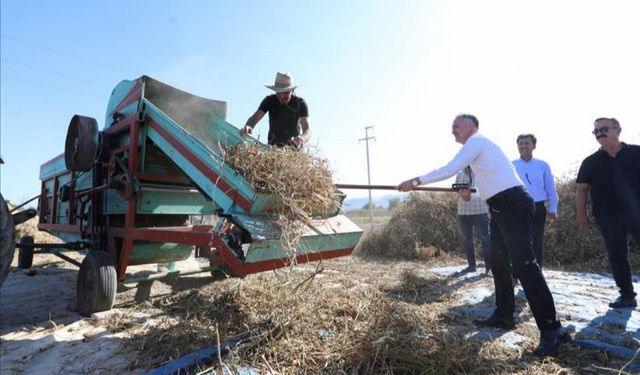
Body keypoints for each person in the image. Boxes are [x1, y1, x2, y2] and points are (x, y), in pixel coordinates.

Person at [397, 114, 569, 357]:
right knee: (498, 263)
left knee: (525, 266)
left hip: (514, 204)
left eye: (455, 126)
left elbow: (449, 169)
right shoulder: (480, 154)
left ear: (470, 126)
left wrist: (415, 181)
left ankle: (553, 330)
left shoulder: (477, 142)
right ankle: (504, 315)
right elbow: (490, 188)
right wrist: (469, 195)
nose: (452, 131)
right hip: (499, 206)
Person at [576, 117, 640, 309]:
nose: (599, 133)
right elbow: (582, 190)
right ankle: (627, 295)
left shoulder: (636, 153)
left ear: (618, 130)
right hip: (607, 214)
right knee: (617, 254)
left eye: (604, 129)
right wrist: (582, 214)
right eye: (596, 131)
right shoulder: (591, 161)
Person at [512, 134, 559, 268]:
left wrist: (552, 208)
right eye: (520, 143)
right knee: (517, 241)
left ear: (534, 146)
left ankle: (537, 272)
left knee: (536, 241)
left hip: (537, 207)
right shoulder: (511, 165)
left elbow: (550, 188)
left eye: (527, 143)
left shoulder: (542, 165)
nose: (523, 146)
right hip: (517, 208)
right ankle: (517, 273)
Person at [240, 72, 310, 148]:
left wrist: (302, 138)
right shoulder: (269, 101)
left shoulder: (300, 103)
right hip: (272, 148)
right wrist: (248, 126)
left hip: (294, 150)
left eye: (286, 92)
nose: (282, 96)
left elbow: (307, 129)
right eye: (279, 92)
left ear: (292, 90)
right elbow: (254, 118)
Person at [455, 166, 492, 275]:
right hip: (462, 211)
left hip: (480, 211)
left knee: (486, 239)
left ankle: (489, 268)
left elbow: (487, 191)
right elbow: (457, 192)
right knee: (467, 240)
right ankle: (471, 266)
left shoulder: (483, 172)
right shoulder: (459, 174)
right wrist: (462, 194)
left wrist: (469, 195)